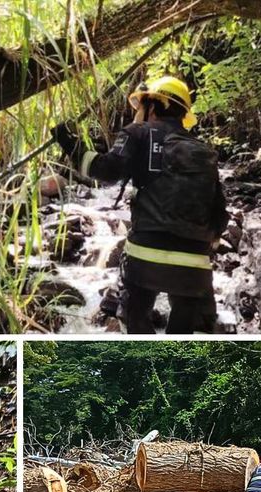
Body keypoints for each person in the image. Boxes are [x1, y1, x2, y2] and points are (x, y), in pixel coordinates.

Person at [51, 75, 229, 334]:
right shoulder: (203, 150)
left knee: (133, 316)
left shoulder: (139, 133)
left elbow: (106, 171)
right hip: (195, 263)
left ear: (153, 106)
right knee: (185, 332)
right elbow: (219, 212)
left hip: (146, 255)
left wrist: (68, 141)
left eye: (141, 106)